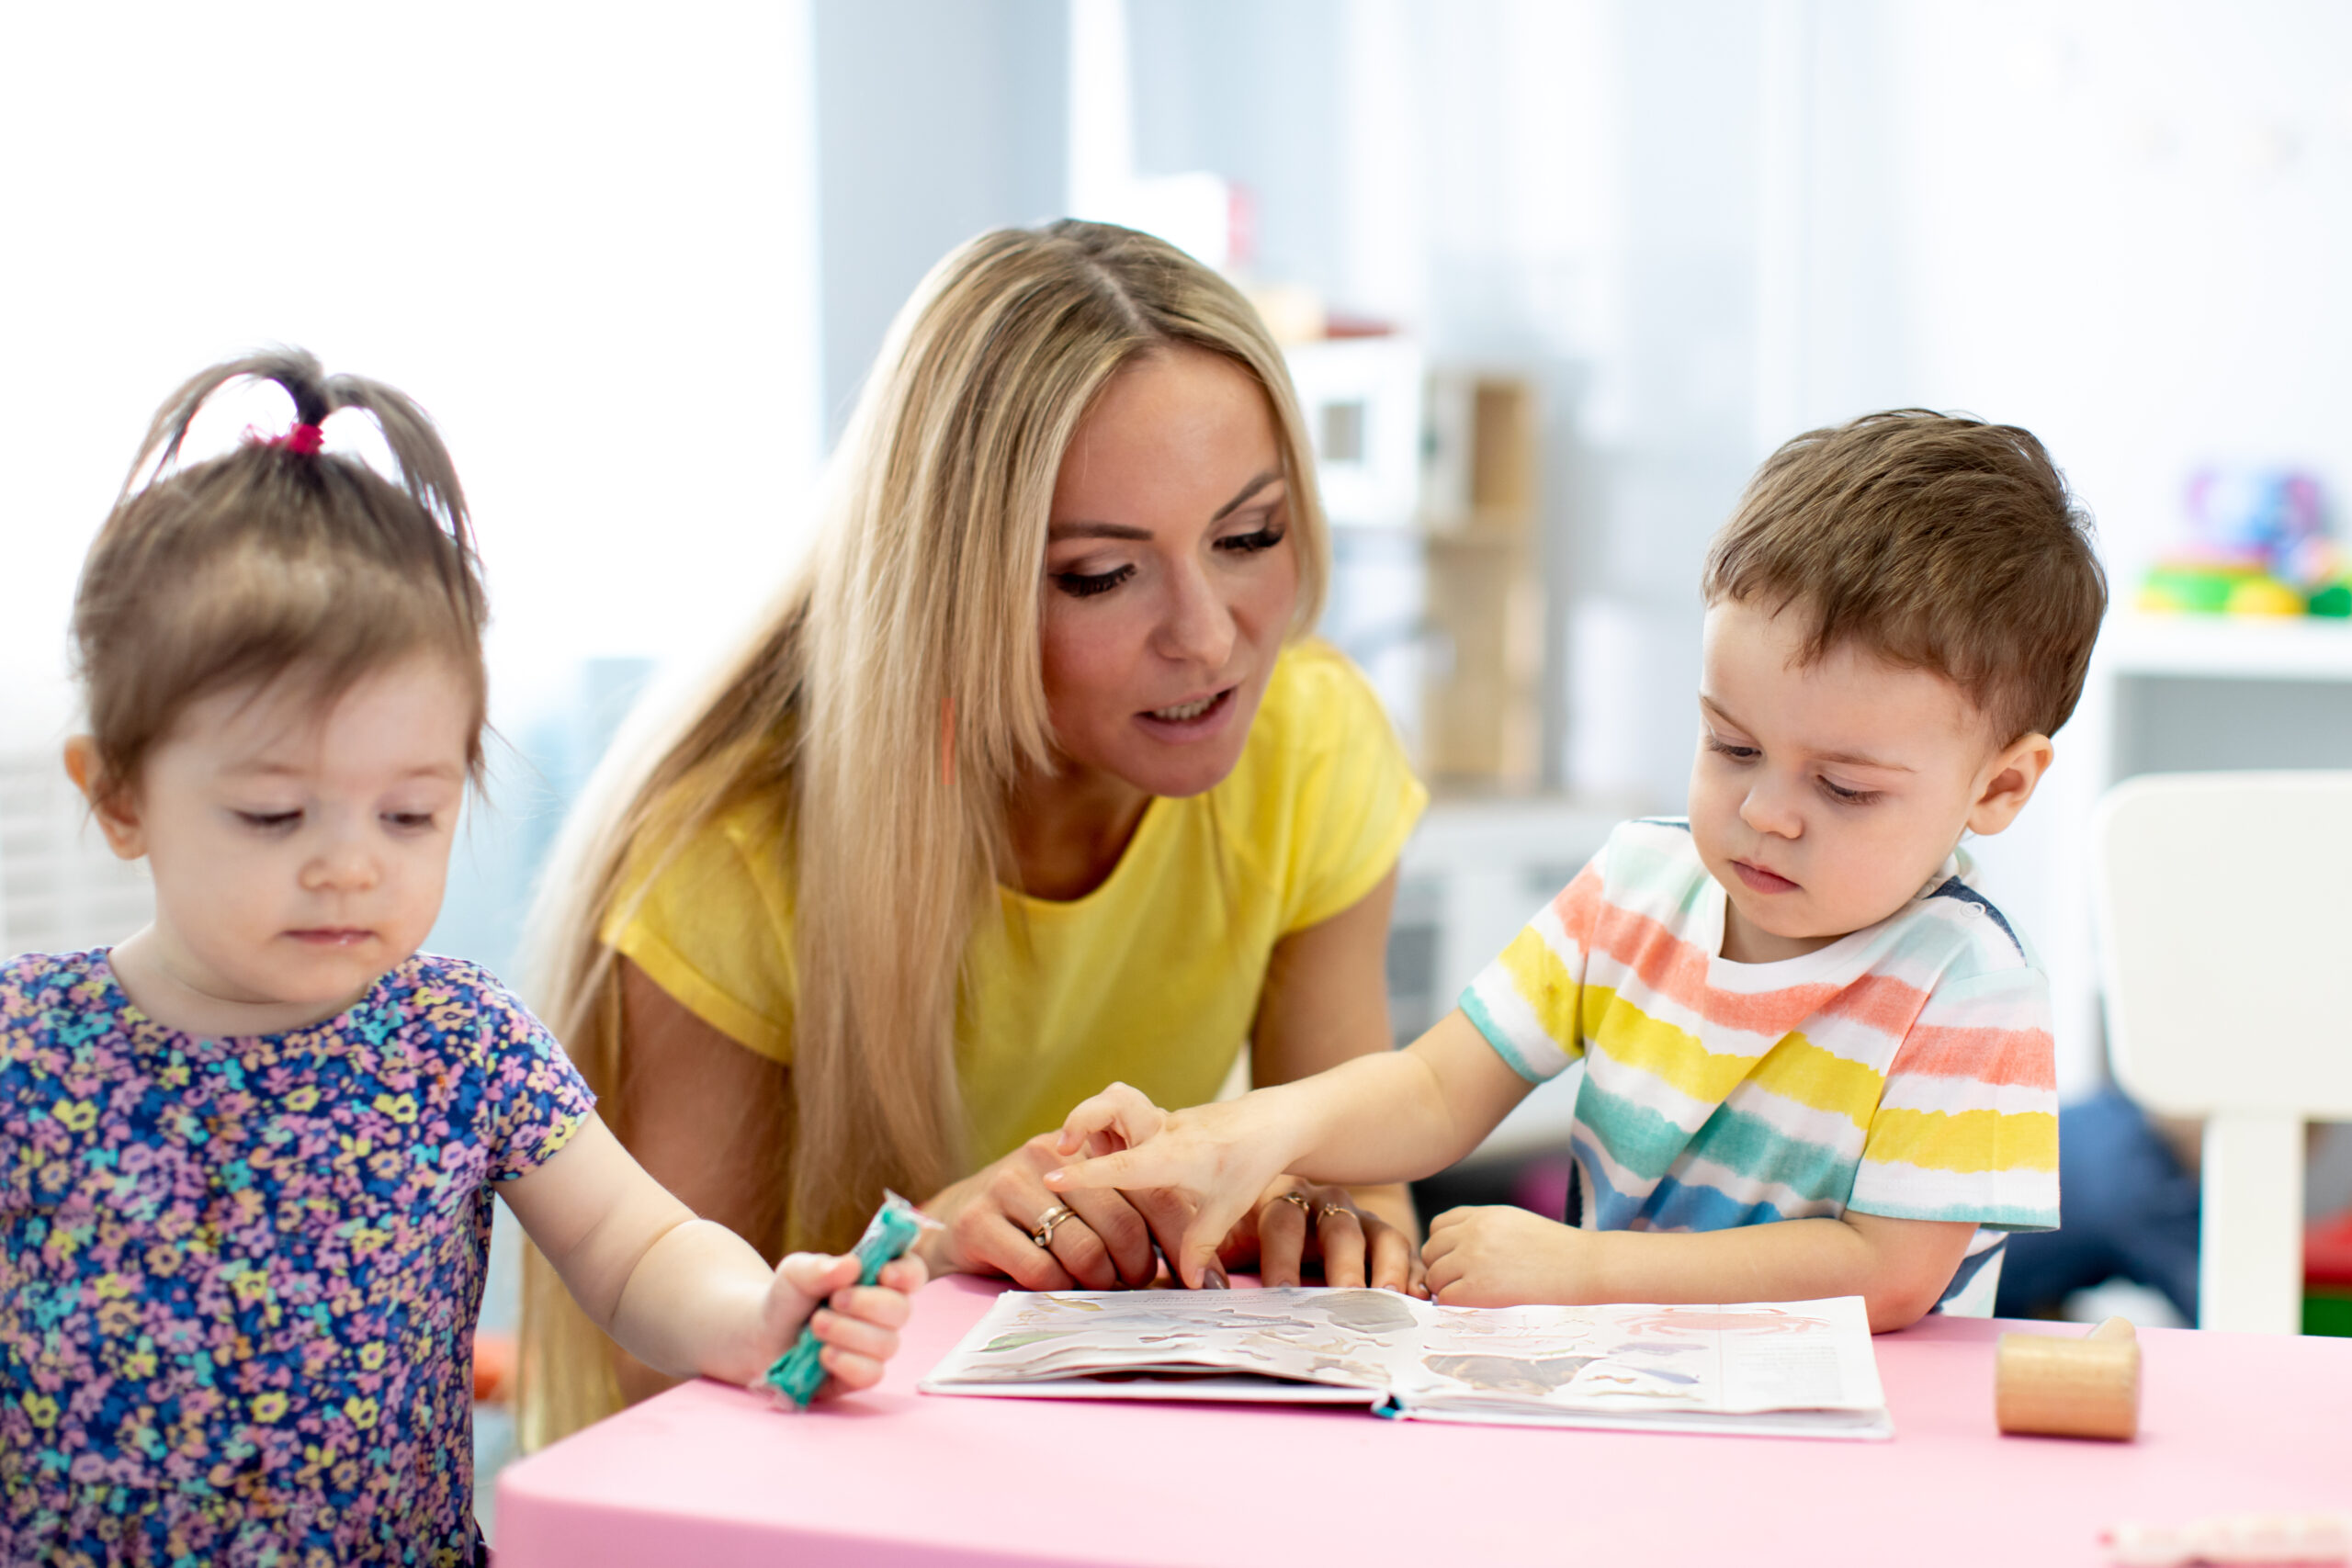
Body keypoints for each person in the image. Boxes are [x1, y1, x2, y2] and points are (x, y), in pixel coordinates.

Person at [0, 353, 924, 1566]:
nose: (351, 866)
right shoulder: (26, 1046)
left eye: (409, 815)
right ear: (118, 795)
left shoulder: (457, 1038)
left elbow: (634, 1242)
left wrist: (752, 1310)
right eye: (276, 816)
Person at [519, 220, 1427, 1445]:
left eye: (1249, 537)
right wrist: (940, 1240)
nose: (1209, 638)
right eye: (1104, 574)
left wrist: (1325, 1213)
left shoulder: (1311, 742)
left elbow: (1361, 1161)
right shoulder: (730, 857)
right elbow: (664, 1381)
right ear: (961, 588)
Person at [1050, 410, 2109, 1332]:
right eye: (1731, 746)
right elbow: (1432, 1088)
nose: (1764, 814)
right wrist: (1239, 1131)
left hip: (1859, 1440)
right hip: (1634, 1399)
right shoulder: (1637, 887)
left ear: (1999, 789)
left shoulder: (1968, 987)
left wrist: (1587, 1270)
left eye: (1845, 788)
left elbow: (1886, 1277)